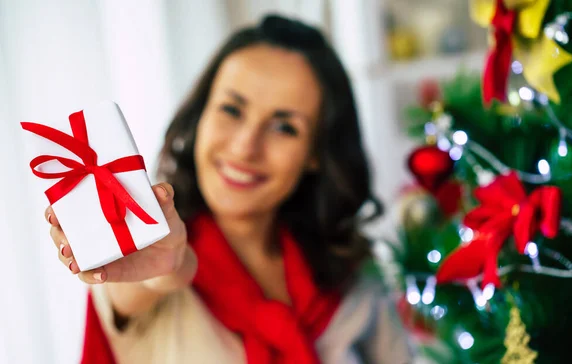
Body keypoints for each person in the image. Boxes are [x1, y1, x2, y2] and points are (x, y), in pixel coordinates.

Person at [46, 14, 412, 364]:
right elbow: (151, 277)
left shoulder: (351, 272)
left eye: (285, 128)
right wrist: (167, 263)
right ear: (201, 115)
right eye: (231, 110)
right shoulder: (146, 255)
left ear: (316, 153)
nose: (244, 147)